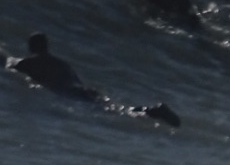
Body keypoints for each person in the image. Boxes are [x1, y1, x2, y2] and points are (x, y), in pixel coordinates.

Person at [8, 32, 180, 126]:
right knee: (117, 108)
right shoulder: (62, 63)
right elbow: (76, 81)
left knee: (118, 112)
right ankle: (151, 110)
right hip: (85, 91)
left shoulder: (28, 63)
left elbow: (10, 69)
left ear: (31, 47)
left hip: (74, 95)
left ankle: (153, 112)